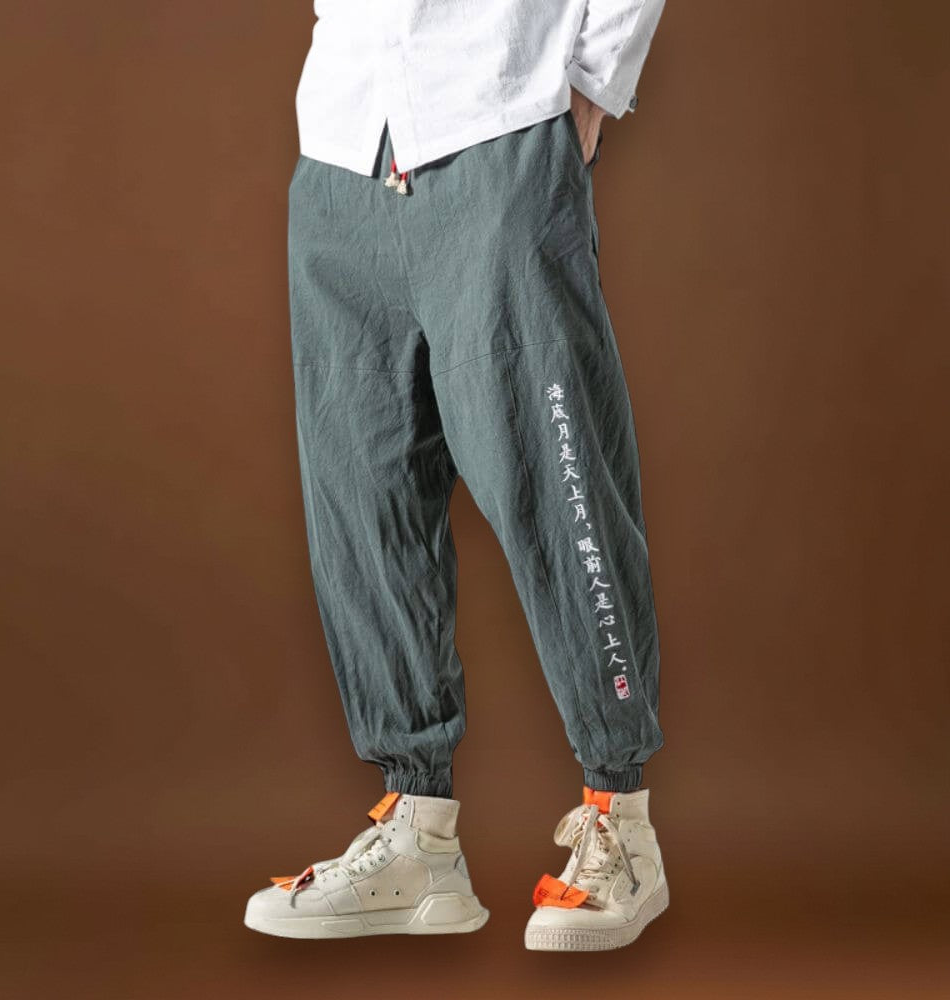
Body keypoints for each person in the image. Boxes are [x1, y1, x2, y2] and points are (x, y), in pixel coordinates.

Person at [244, 0, 669, 951]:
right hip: (345, 144)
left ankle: (621, 822)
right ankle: (417, 839)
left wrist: (594, 81)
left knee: (552, 481)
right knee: (362, 499)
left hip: (497, 117)